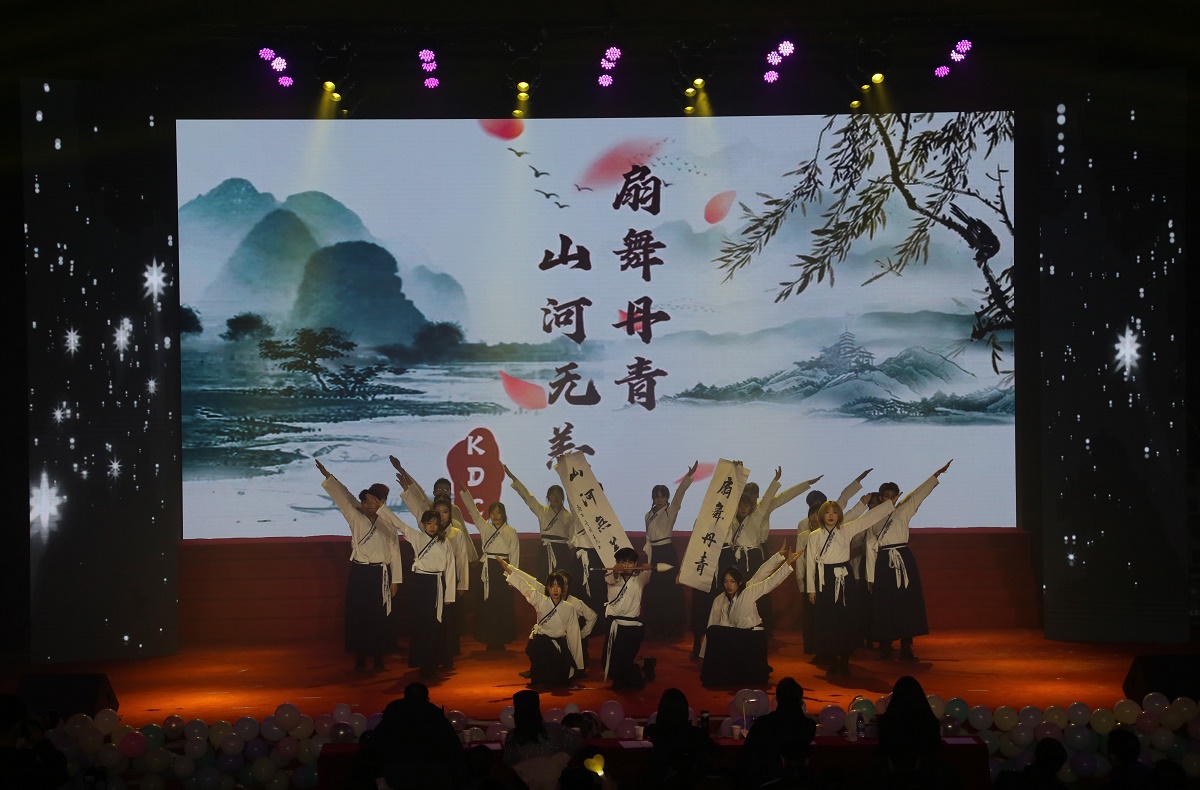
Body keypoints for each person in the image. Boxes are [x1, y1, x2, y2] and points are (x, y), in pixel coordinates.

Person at [314, 460, 403, 672]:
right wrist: (328, 476)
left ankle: (379, 657)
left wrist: (396, 580)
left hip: (380, 574)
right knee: (359, 615)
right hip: (360, 573)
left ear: (382, 502)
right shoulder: (355, 516)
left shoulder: (389, 524)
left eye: (373, 501)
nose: (368, 504)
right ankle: (360, 658)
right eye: (365, 501)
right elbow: (343, 496)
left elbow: (395, 553)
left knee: (379, 617)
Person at [866, 460, 952, 661]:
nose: (889, 499)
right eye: (885, 496)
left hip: (903, 558)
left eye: (892, 496)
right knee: (886, 604)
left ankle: (907, 645)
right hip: (884, 561)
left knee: (906, 603)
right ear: (880, 497)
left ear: (897, 496)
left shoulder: (903, 510)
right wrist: (870, 577)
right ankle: (886, 645)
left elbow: (918, 495)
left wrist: (935, 476)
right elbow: (870, 546)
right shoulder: (872, 516)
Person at [804, 498, 895, 677]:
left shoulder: (846, 529)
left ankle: (844, 660)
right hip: (825, 580)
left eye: (834, 512)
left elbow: (866, 519)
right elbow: (810, 564)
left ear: (839, 515)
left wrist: (889, 504)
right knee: (828, 621)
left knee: (845, 620)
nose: (831, 516)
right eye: (827, 512)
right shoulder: (814, 535)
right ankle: (832, 661)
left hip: (845, 577)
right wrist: (811, 589)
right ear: (822, 516)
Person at [700, 543, 801, 687]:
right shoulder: (722, 600)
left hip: (753, 636)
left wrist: (786, 562)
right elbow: (722, 624)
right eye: (726, 582)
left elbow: (768, 581)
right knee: (714, 631)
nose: (729, 585)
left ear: (739, 582)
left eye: (732, 582)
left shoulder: (748, 591)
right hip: (737, 636)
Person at [375, 501, 457, 679]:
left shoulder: (445, 542)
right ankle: (422, 663)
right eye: (429, 523)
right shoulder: (417, 537)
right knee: (421, 625)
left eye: (435, 523)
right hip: (421, 584)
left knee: (435, 626)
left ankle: (433, 662)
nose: (432, 527)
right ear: (423, 524)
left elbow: (450, 568)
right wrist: (381, 508)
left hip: (437, 584)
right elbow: (399, 524)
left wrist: (449, 595)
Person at [349, 682, 462, 790]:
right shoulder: (437, 719)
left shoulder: (391, 718)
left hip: (396, 777)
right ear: (427, 699)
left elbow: (374, 747)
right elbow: (454, 750)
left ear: (404, 697)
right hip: (431, 778)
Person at [854, 675, 959, 790]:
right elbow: (934, 749)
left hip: (891, 776)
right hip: (925, 777)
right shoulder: (929, 720)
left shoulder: (886, 721)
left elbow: (883, 749)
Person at [501, 563, 585, 688]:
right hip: (542, 644)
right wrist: (508, 570)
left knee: (561, 679)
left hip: (559, 644)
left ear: (563, 589)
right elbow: (525, 587)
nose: (555, 589)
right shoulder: (540, 601)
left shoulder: (569, 608)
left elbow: (574, 634)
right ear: (548, 588)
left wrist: (577, 663)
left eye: (558, 586)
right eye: (552, 586)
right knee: (542, 679)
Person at [642, 461, 698, 639]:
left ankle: (671, 626)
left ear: (667, 498)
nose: (659, 499)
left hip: (666, 552)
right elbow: (648, 539)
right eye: (656, 497)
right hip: (654, 553)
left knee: (668, 590)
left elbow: (679, 495)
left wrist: (688, 477)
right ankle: (655, 625)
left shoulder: (670, 510)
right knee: (654, 590)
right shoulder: (648, 515)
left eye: (662, 496)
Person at [460, 490, 520, 652]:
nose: (495, 516)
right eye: (492, 512)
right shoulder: (485, 527)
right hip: (487, 568)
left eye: (498, 513)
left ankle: (502, 639)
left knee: (502, 605)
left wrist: (513, 576)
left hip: (503, 568)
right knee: (487, 605)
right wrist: (465, 493)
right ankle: (488, 639)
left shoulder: (511, 531)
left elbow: (515, 554)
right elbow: (473, 512)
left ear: (503, 514)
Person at [505, 465, 581, 581]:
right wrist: (513, 478)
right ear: (548, 497)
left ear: (563, 497)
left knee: (562, 580)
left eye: (559, 494)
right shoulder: (542, 511)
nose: (556, 497)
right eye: (553, 495)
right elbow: (528, 497)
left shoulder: (569, 516)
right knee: (544, 578)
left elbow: (572, 536)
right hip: (545, 550)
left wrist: (564, 546)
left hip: (562, 551)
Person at [739, 677, 816, 790]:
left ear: (778, 699)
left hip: (765, 779)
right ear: (801, 701)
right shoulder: (809, 726)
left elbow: (746, 756)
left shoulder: (763, 723)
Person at [502, 690, 582, 790]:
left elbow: (508, 764)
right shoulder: (554, 730)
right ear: (537, 707)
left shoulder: (512, 738)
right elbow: (577, 741)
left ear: (517, 710)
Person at [603, 546, 656, 689]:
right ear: (616, 563)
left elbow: (646, 573)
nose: (626, 565)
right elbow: (613, 578)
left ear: (635, 564)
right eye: (622, 562)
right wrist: (615, 571)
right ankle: (643, 664)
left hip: (633, 627)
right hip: (615, 625)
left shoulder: (639, 579)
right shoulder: (610, 576)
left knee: (624, 662)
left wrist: (647, 568)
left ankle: (640, 666)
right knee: (609, 663)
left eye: (630, 562)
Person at [645, 688, 719, 789]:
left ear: (661, 710)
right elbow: (719, 753)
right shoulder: (696, 733)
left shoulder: (654, 731)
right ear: (685, 710)